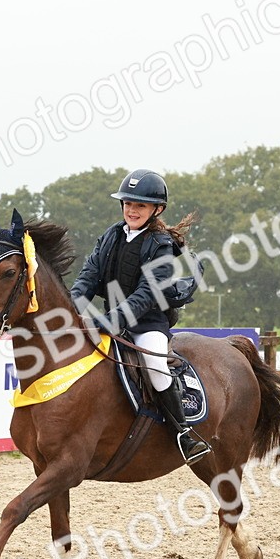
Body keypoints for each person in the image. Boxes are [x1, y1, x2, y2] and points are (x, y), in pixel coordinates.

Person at [70, 168, 210, 464]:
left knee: (157, 365)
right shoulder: (110, 235)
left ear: (156, 209)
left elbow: (146, 295)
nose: (131, 210)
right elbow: (89, 276)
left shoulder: (160, 244)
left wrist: (111, 321)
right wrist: (72, 306)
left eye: (140, 205)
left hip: (147, 324)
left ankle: (183, 433)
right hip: (112, 321)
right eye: (127, 204)